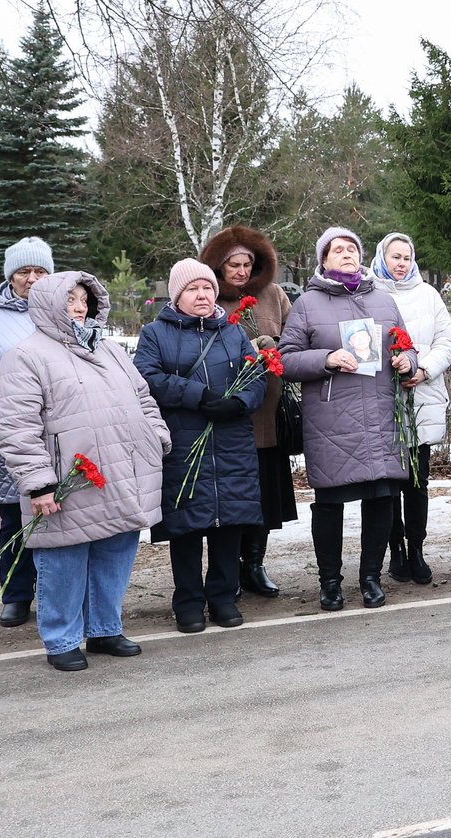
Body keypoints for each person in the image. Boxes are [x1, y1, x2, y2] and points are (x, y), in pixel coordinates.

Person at [0, 272, 171, 671]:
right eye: (68, 299)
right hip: (67, 481)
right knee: (63, 557)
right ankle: (62, 639)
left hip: (122, 474)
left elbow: (143, 398)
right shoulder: (26, 356)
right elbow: (15, 426)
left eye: (83, 299)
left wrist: (155, 438)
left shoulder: (109, 350)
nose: (78, 306)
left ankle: (106, 628)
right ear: (47, 304)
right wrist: (38, 483)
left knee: (116, 550)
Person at [278, 227, 418, 611]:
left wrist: (408, 362)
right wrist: (326, 359)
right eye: (337, 249)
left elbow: (406, 346)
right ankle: (330, 581)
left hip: (381, 415)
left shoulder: (384, 300)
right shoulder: (307, 303)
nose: (346, 254)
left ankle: (370, 577)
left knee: (381, 499)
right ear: (323, 259)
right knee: (330, 505)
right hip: (332, 420)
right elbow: (286, 359)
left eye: (351, 248)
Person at [134, 258, 266, 633]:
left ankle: (223, 597)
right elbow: (147, 377)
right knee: (187, 526)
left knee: (229, 522)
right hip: (185, 441)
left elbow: (256, 373)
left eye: (207, 288)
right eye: (193, 289)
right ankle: (188, 601)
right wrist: (197, 395)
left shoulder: (232, 331)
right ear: (178, 296)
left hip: (231, 440)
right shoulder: (156, 334)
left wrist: (239, 402)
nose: (203, 295)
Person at [199, 226, 296, 599]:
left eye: (246, 264)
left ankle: (255, 563)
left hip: (267, 414)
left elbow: (294, 338)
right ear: (219, 266)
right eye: (233, 265)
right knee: (232, 496)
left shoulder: (273, 295)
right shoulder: (209, 298)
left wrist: (277, 351)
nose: (240, 271)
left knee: (264, 496)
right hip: (228, 413)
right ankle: (229, 567)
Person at [373, 232, 451, 585]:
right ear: (382, 258)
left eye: (406, 258)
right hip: (383, 401)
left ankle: (418, 548)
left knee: (418, 481)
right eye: (395, 257)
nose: (401, 264)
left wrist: (423, 369)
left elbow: (446, 339)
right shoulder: (369, 294)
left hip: (421, 397)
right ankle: (396, 550)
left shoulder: (428, 295)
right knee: (391, 484)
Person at [0, 236, 52, 629]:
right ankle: (17, 593)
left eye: (41, 271)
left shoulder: (62, 308)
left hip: (55, 424)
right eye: (25, 271)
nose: (33, 279)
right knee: (15, 515)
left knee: (59, 510)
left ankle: (57, 590)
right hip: (7, 428)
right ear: (11, 275)